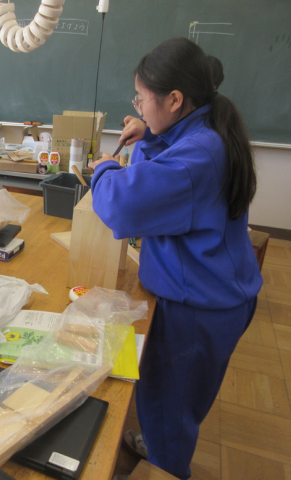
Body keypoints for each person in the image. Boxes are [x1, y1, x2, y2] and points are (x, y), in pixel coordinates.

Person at [90, 38, 262, 480]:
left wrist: (105, 168)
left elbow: (123, 206)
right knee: (176, 401)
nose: (138, 108)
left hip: (199, 309)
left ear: (175, 100)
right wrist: (150, 135)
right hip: (215, 295)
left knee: (168, 408)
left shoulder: (197, 156)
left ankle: (166, 463)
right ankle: (162, 444)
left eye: (141, 99)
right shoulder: (203, 133)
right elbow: (163, 173)